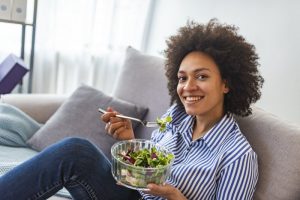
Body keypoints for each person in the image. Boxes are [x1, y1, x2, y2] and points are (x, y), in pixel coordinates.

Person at [0, 19, 263, 200]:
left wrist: (177, 197)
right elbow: (148, 170)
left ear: (226, 83)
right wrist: (129, 142)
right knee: (76, 151)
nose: (188, 87)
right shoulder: (176, 116)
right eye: (182, 78)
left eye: (202, 77)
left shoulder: (237, 156)